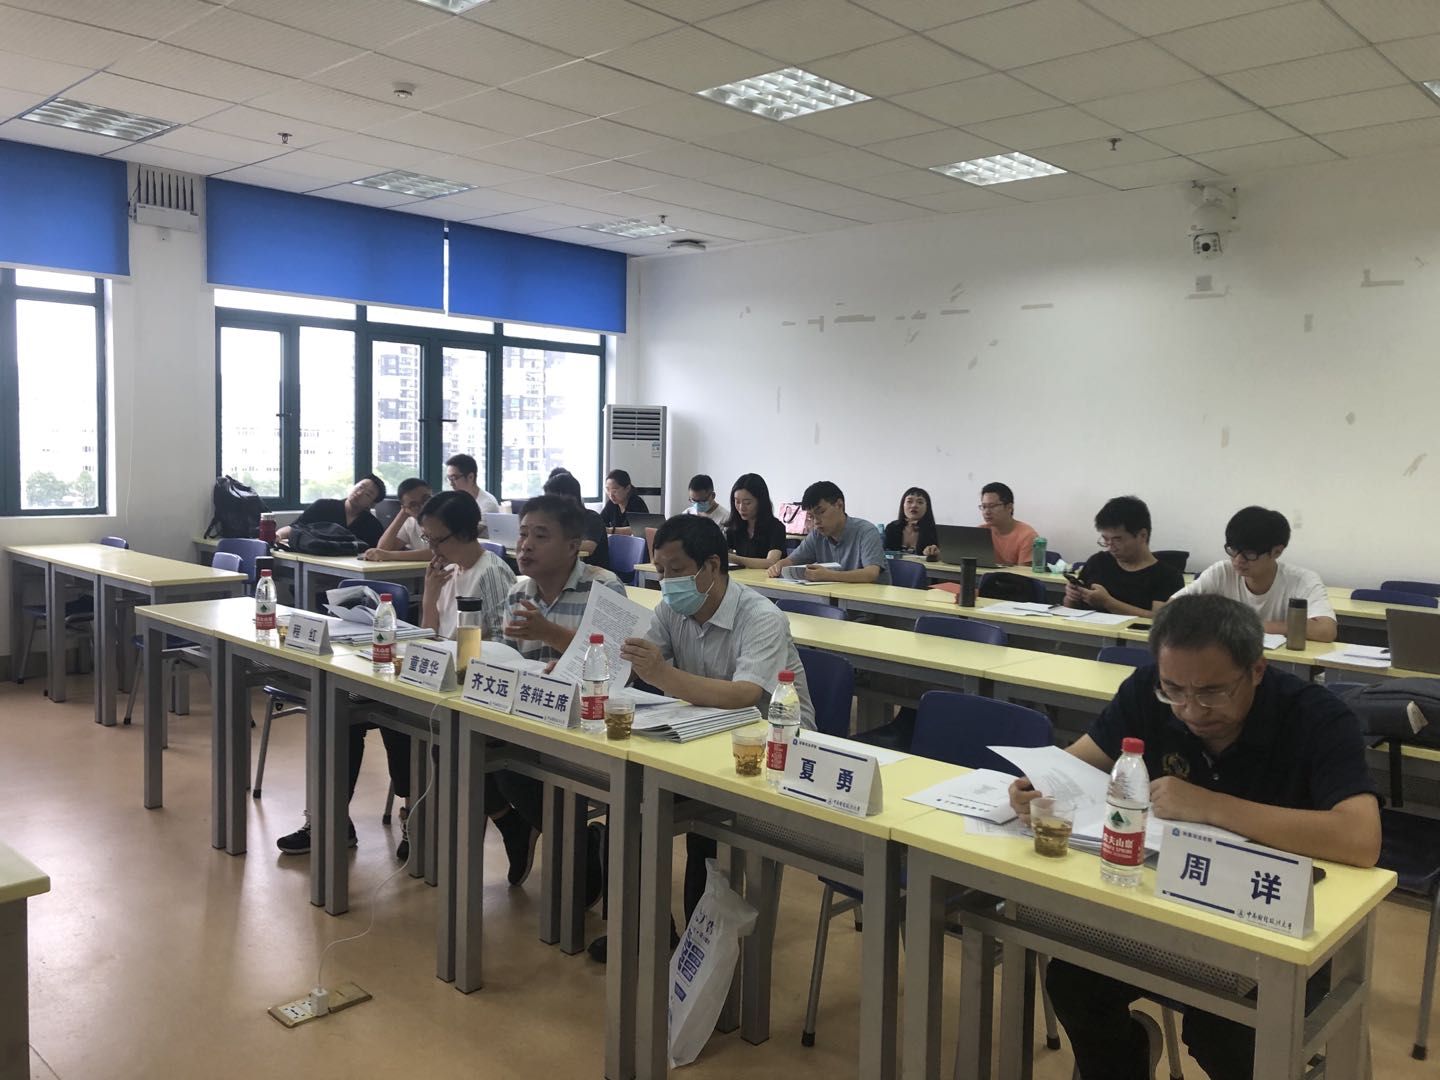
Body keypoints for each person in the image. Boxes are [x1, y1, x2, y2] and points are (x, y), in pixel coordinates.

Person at [1008, 594, 1378, 1080]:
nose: (1190, 709)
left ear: (1257, 670)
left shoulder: (1316, 717)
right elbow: (1077, 764)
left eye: (1212, 692)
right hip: (1163, 910)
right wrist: (1038, 788)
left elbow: (1360, 838)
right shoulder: (1146, 691)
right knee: (1074, 983)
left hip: (1276, 928)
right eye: (1174, 690)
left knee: (1224, 1030)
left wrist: (1211, 806)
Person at [614, 513, 815, 952]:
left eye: (677, 570)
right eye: (660, 570)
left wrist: (662, 675)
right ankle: (653, 932)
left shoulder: (761, 616)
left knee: (702, 829)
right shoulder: (670, 609)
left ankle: (701, 942)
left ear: (711, 566)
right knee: (630, 805)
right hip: (705, 737)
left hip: (771, 752)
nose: (666, 582)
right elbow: (637, 664)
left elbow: (745, 695)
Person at [493, 495, 628, 899]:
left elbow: (618, 666)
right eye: (522, 534)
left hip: (586, 725)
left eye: (540, 535)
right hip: (529, 717)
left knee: (514, 761)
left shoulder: (603, 587)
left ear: (573, 546)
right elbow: (504, 661)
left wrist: (549, 633)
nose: (525, 545)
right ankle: (543, 831)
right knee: (462, 746)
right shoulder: (517, 593)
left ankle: (573, 842)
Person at [1172, 506, 1337, 642]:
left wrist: (1244, 625)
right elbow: (1172, 608)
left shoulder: (1302, 580)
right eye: (1233, 550)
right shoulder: (1222, 572)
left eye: (1249, 553)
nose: (1238, 560)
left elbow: (1326, 630)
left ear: (1277, 552)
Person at [416, 491, 514, 640]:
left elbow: (504, 640)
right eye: (427, 538)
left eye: (437, 540)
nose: (431, 547)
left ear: (463, 534)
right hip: (446, 653)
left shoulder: (492, 573)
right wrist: (429, 598)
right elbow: (428, 639)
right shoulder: (446, 573)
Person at [1064, 496, 1184, 617]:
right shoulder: (1098, 562)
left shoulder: (1168, 576)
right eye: (1106, 539)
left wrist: (1107, 602)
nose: (1110, 546)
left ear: (1142, 535)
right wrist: (1071, 597)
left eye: (1117, 539)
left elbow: (1159, 619)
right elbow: (1070, 610)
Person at [768, 480, 889, 584]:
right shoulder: (817, 535)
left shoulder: (866, 531)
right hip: (835, 598)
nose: (816, 521)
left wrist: (829, 575)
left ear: (839, 505)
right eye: (811, 516)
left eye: (821, 512)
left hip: (869, 601)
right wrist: (779, 566)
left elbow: (871, 573)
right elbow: (791, 561)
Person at [276, 474, 386, 547]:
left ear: (372, 504)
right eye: (360, 487)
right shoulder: (323, 506)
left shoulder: (373, 526)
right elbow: (295, 528)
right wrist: (278, 535)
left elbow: (375, 551)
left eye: (368, 494)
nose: (359, 493)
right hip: (315, 560)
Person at [543, 469, 611, 572]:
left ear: (565, 496)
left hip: (594, 575)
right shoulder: (558, 520)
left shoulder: (591, 518)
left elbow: (589, 547)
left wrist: (555, 544)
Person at [725, 473, 787, 570]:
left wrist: (734, 559)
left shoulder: (776, 528)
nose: (741, 507)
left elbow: (771, 562)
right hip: (742, 577)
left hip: (767, 578)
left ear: (761, 502)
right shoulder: (734, 527)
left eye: (747, 503)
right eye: (737, 501)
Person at [360, 477, 431, 561]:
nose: (423, 507)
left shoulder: (444, 517)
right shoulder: (410, 523)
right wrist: (402, 515)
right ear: (406, 508)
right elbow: (382, 549)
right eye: (413, 505)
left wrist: (389, 555)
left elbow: (437, 552)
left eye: (426, 499)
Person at [978, 481, 1038, 566]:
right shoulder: (980, 532)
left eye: (992, 506)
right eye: (984, 507)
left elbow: (1024, 573)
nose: (987, 512)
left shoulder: (1027, 536)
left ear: (1009, 507)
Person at [883, 486, 939, 558]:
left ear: (927, 507)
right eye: (909, 501)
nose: (914, 505)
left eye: (920, 502)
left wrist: (934, 553)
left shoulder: (935, 531)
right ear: (903, 505)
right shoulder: (892, 527)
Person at [600, 468, 649, 532]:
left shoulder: (637, 503)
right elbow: (600, 521)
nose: (611, 495)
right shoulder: (611, 503)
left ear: (627, 488)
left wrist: (611, 530)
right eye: (608, 490)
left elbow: (639, 529)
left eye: (614, 491)